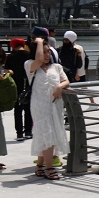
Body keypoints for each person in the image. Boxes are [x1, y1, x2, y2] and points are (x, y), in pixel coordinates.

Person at [26, 31, 70, 180]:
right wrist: (39, 42)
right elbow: (37, 60)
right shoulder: (30, 65)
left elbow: (66, 81)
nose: (45, 55)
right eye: (43, 52)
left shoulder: (56, 66)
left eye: (48, 52)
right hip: (40, 105)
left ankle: (40, 165)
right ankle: (49, 168)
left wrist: (59, 87)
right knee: (46, 133)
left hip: (55, 105)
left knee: (49, 134)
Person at [5, 37, 33, 141]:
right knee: (28, 109)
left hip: (16, 86)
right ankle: (28, 132)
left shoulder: (10, 57)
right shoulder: (28, 55)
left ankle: (19, 133)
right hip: (28, 84)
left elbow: (7, 70)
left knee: (17, 110)